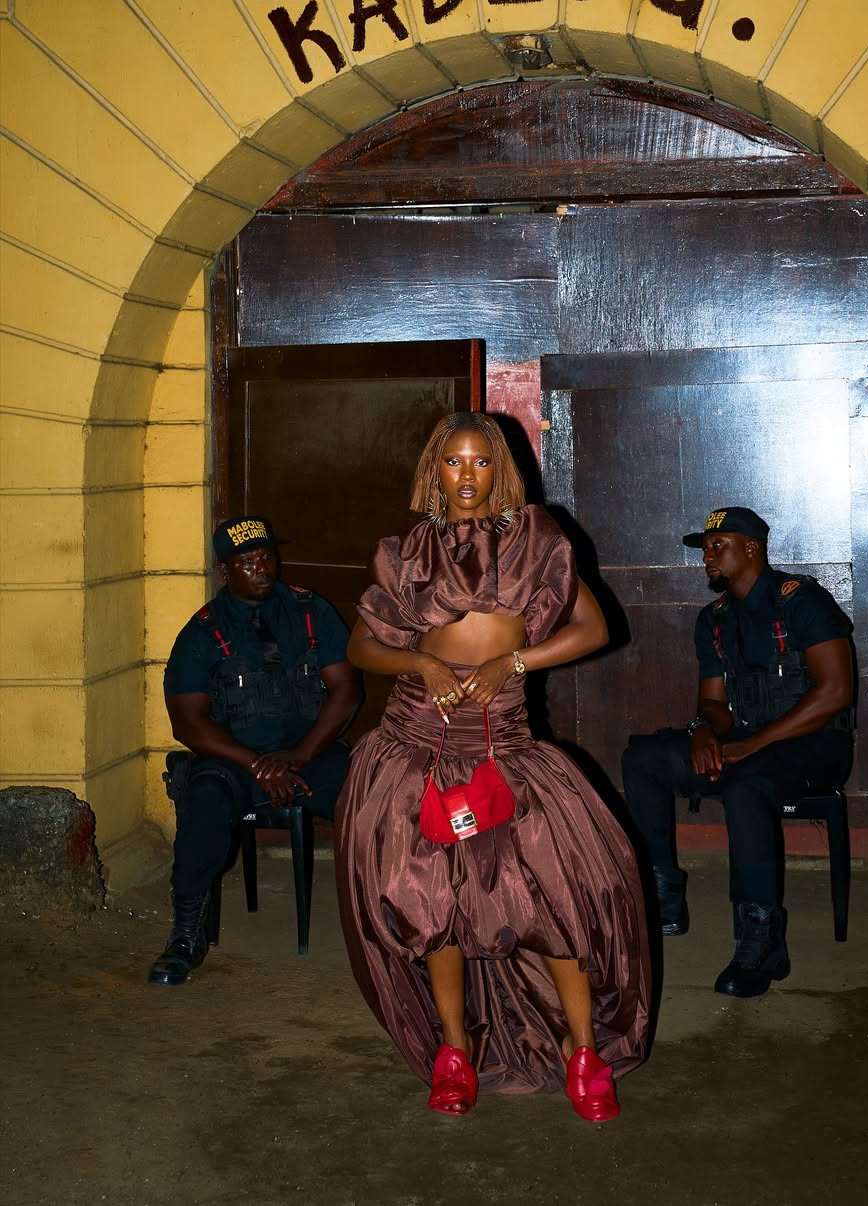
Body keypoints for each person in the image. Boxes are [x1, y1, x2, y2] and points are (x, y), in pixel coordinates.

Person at [336, 413, 650, 1120]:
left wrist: (515, 659)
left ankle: (583, 1053)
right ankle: (455, 1052)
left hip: (506, 747)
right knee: (433, 910)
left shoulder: (540, 541)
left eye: (481, 464)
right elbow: (361, 647)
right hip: (416, 749)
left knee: (559, 903)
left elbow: (595, 628)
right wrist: (419, 658)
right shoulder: (407, 551)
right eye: (454, 464)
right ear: (434, 471)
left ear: (500, 471)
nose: (468, 477)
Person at [621, 506, 854, 999]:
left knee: (748, 784)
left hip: (815, 746)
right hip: (747, 741)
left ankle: (762, 942)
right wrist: (704, 730)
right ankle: (663, 899)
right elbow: (713, 702)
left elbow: (835, 693)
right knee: (645, 757)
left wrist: (750, 745)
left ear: (751, 549)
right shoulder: (715, 619)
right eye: (704, 548)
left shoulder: (802, 602)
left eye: (716, 546)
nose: (706, 557)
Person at [149, 515, 362, 986]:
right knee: (203, 802)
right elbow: (187, 723)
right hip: (236, 763)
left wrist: (301, 755)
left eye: (267, 556)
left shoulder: (311, 611)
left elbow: (346, 691)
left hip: (309, 756)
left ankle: (390, 925)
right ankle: (185, 935)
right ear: (225, 569)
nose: (262, 568)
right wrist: (256, 766)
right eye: (247, 562)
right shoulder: (203, 632)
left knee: (374, 791)